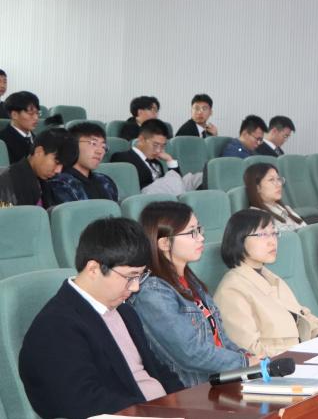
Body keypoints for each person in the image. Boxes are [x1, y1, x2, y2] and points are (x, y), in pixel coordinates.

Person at [18, 217, 184, 419]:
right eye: (130, 277)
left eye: (141, 276)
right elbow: (82, 402)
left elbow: (158, 370)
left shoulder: (125, 312)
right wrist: (154, 414)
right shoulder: (56, 326)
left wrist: (184, 404)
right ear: (94, 269)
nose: (135, 287)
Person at [131, 201, 251, 387]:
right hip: (193, 390)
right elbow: (190, 353)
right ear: (164, 243)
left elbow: (220, 338)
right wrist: (245, 362)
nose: (201, 238)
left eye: (199, 229)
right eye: (192, 232)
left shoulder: (190, 280)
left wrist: (247, 357)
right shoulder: (153, 292)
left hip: (222, 379)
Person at [213, 210, 318, 358]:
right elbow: (249, 351)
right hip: (279, 365)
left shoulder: (271, 277)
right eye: (262, 235)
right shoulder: (231, 290)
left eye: (274, 233)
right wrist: (300, 354)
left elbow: (303, 315)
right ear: (239, 239)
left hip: (301, 356)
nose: (272, 241)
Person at [42, 121, 119, 207]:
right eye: (93, 143)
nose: (100, 151)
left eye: (103, 147)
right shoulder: (60, 183)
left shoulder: (105, 181)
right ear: (73, 145)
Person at [0, 128, 76, 206]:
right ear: (39, 152)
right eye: (56, 162)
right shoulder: (6, 182)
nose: (58, 171)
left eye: (62, 165)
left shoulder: (50, 182)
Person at [110, 120, 183, 192]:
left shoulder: (157, 163)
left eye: (162, 146)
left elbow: (177, 183)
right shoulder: (122, 158)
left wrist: (170, 160)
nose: (158, 150)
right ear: (141, 139)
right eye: (155, 145)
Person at [245, 162, 305, 232]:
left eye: (278, 179)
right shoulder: (258, 218)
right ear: (257, 187)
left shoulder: (286, 209)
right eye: (271, 180)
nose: (279, 184)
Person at [0, 90, 42, 164]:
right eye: (31, 113)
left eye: (37, 113)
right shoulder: (2, 141)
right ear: (14, 115)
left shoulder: (39, 139)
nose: (36, 118)